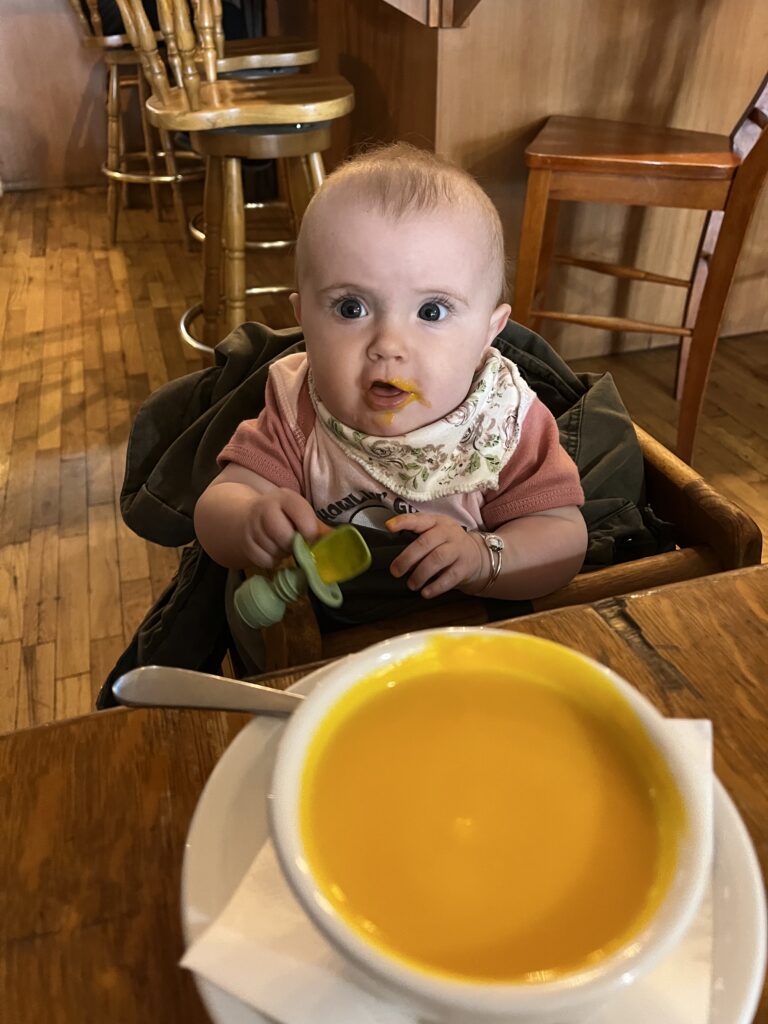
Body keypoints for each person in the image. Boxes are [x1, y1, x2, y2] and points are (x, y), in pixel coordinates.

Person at [194, 143, 587, 609]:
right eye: (351, 308)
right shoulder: (299, 408)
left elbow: (564, 538)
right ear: (304, 320)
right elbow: (215, 508)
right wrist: (251, 519)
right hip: (339, 635)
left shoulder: (505, 422)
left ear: (490, 331)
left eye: (432, 310)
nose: (388, 344)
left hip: (468, 633)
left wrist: (485, 557)